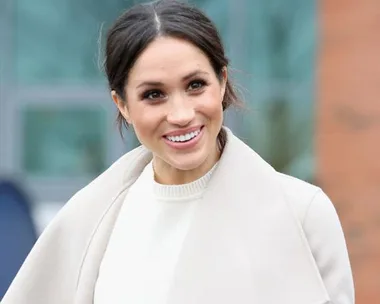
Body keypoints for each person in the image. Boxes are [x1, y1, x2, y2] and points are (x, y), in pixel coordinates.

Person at [2, 1, 354, 303]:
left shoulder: (304, 213)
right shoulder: (90, 220)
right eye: (154, 94)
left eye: (196, 85)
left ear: (222, 82)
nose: (182, 114)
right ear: (121, 104)